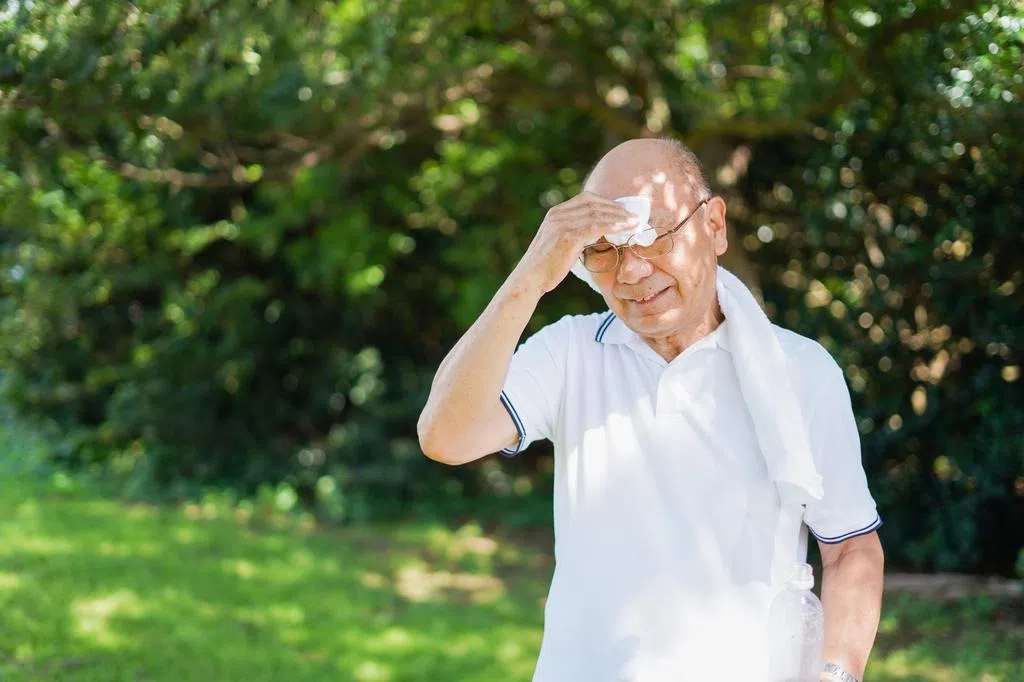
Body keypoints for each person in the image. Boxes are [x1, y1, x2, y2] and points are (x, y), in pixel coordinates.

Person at [417, 138, 884, 682]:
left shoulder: (798, 371)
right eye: (603, 249)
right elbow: (445, 437)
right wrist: (529, 279)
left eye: (654, 236)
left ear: (715, 225)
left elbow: (851, 548)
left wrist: (837, 675)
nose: (632, 271)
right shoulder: (570, 353)